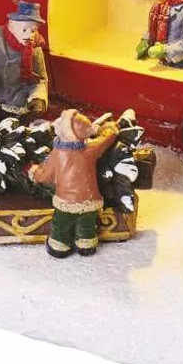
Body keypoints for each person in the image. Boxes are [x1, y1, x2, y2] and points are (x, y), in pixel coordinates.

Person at [29, 110, 119, 258]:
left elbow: (46, 176)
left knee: (62, 226)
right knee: (87, 225)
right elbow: (106, 140)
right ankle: (86, 245)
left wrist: (34, 171)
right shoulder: (91, 149)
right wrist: (110, 129)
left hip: (66, 201)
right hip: (90, 200)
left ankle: (59, 246)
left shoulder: (57, 153)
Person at [0, 1, 48, 125]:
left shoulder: (35, 49)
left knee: (15, 135)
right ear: (12, 25)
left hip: (19, 106)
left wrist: (38, 98)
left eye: (33, 30)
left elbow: (40, 79)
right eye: (24, 29)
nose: (29, 35)